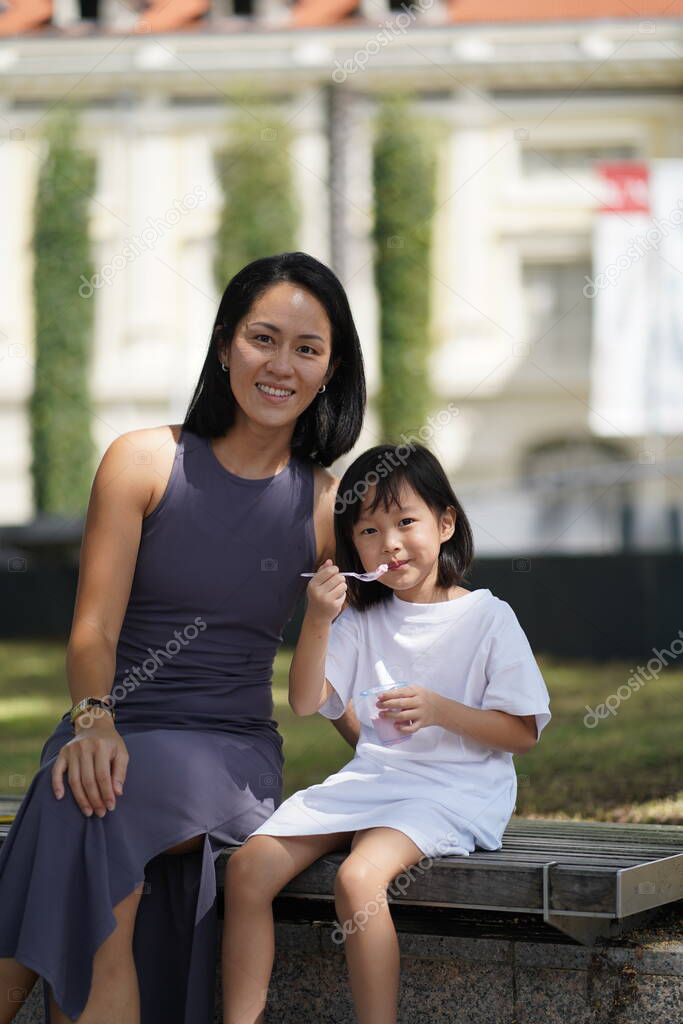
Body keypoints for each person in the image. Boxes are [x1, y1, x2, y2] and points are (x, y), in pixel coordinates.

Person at [0, 251, 366, 1024]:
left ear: (330, 370)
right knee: (82, 787)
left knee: (80, 804)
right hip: (108, 726)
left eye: (307, 349)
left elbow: (358, 660)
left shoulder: (328, 505)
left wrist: (413, 768)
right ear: (226, 343)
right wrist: (95, 719)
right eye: (263, 338)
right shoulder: (141, 460)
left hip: (228, 752)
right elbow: (93, 626)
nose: (281, 365)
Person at [222, 441, 552, 1024]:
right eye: (369, 531)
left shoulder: (487, 617)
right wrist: (319, 619)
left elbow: (521, 734)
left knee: (358, 877)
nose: (390, 543)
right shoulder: (359, 616)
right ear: (353, 544)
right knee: (248, 868)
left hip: (454, 788)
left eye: (405, 522)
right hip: (375, 779)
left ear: (445, 522)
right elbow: (305, 701)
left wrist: (439, 709)